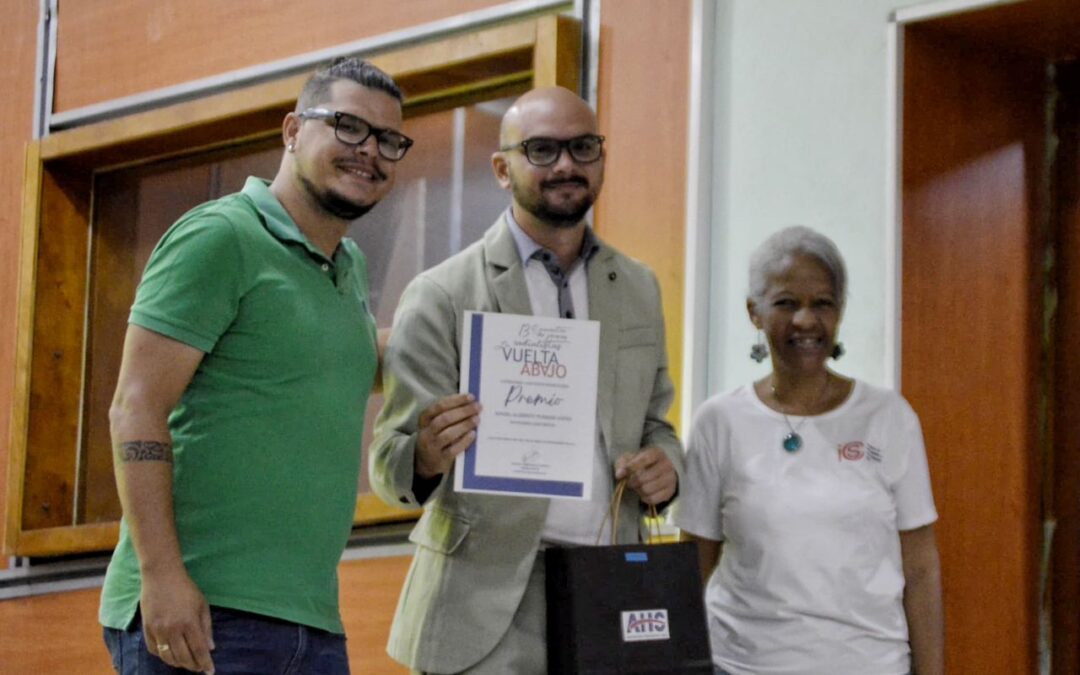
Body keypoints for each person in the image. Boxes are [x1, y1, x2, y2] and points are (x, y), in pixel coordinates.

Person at [99, 57, 414, 675]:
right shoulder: (220, 237)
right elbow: (135, 406)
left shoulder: (346, 266)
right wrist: (161, 579)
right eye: (348, 127)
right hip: (202, 618)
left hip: (314, 622)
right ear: (293, 130)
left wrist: (491, 347)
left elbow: (345, 358)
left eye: (388, 140)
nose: (369, 151)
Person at [368, 86, 683, 674]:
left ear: (601, 157)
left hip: (610, 592)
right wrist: (428, 455)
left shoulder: (638, 288)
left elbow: (656, 427)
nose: (566, 164)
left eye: (582, 147)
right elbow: (389, 465)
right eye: (541, 149)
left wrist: (667, 468)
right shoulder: (442, 294)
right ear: (502, 169)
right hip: (482, 606)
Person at [673, 226, 944, 675]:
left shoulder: (889, 417)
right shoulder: (718, 421)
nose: (805, 320)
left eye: (822, 303)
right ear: (754, 313)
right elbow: (694, 568)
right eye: (785, 303)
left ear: (838, 313)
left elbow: (921, 571)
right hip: (741, 666)